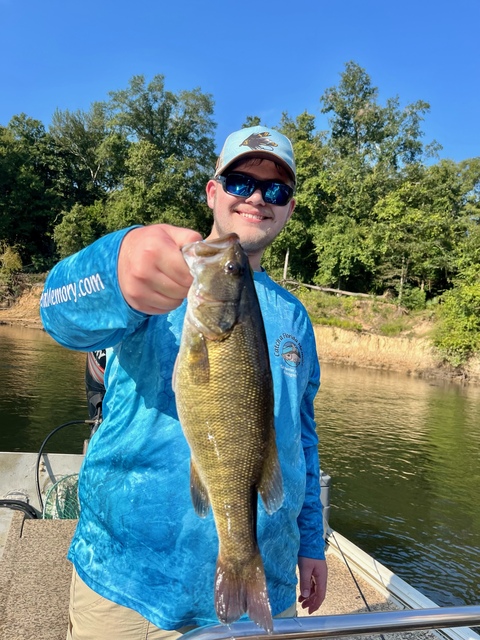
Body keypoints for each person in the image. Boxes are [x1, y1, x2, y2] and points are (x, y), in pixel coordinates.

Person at [40, 126, 328, 640]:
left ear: (287, 208)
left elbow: (302, 439)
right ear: (213, 192)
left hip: (266, 576)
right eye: (241, 182)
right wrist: (116, 267)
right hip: (126, 582)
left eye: (276, 190)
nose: (257, 198)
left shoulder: (296, 318)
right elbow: (58, 317)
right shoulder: (160, 273)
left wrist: (312, 543)